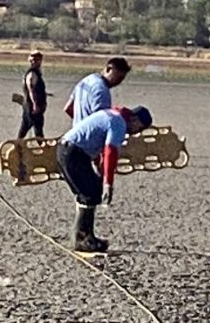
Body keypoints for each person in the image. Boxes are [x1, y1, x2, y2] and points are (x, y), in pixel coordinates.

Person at [56, 105, 153, 253]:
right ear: (134, 119)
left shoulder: (112, 115)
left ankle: (85, 237)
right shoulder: (119, 122)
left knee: (91, 190)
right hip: (73, 153)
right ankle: (82, 239)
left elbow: (99, 150)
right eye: (138, 128)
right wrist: (108, 183)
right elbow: (110, 152)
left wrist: (102, 175)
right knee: (90, 194)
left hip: (67, 150)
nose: (135, 133)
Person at [64, 57, 131, 124]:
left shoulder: (85, 81)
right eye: (119, 77)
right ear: (109, 69)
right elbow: (102, 121)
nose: (119, 82)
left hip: (77, 131)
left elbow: (68, 108)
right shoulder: (101, 90)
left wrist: (81, 126)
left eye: (122, 79)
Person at [17, 50, 47, 139]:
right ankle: (43, 147)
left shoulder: (36, 73)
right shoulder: (32, 74)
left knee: (25, 127)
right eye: (35, 60)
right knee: (38, 129)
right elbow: (31, 90)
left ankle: (18, 145)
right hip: (32, 106)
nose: (37, 62)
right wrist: (35, 105)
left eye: (38, 60)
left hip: (30, 106)